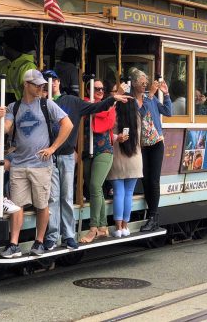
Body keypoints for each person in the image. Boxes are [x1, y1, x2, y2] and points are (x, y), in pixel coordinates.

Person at [41, 70, 130, 251]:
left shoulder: (71, 101)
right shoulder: (41, 103)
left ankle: (69, 235)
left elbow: (96, 108)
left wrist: (114, 98)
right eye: (49, 81)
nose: (53, 83)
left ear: (59, 82)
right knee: (52, 197)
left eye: (55, 80)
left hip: (67, 154)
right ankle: (52, 236)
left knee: (67, 196)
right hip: (47, 156)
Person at [0, 69, 73, 258]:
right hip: (19, 163)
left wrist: (53, 148)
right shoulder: (14, 107)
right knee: (17, 205)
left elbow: (68, 124)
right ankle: (14, 244)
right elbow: (6, 129)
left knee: (41, 204)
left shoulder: (47, 105)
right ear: (26, 85)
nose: (40, 87)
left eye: (42, 85)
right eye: (37, 85)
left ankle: (39, 241)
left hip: (41, 164)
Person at [130, 68, 172, 232]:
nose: (145, 85)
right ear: (134, 84)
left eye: (145, 82)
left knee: (153, 180)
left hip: (156, 144)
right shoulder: (133, 100)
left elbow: (168, 112)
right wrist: (150, 95)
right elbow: (139, 114)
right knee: (145, 179)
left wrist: (166, 94)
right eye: (142, 82)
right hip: (141, 145)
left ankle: (153, 216)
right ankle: (150, 216)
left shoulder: (151, 99)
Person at [81, 78, 117, 244]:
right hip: (87, 151)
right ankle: (103, 227)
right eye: (96, 89)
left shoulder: (109, 106)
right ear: (88, 90)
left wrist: (96, 108)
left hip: (104, 151)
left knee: (95, 186)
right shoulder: (85, 103)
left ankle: (93, 227)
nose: (100, 92)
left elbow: (105, 121)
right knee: (94, 188)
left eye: (102, 89)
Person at [108, 98, 142, 238]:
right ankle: (125, 227)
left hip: (117, 160)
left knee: (118, 193)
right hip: (135, 160)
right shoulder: (137, 119)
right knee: (129, 194)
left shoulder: (114, 118)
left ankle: (117, 228)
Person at [0, 29, 37, 104]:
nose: (2, 49)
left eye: (4, 46)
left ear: (10, 48)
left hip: (18, 110)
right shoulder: (3, 64)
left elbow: (32, 92)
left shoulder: (28, 66)